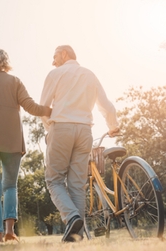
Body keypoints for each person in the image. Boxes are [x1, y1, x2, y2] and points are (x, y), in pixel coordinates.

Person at [0, 48, 52, 243]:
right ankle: (9, 232)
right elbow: (31, 107)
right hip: (11, 142)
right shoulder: (15, 82)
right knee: (10, 186)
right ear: (6, 62)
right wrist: (50, 110)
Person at [40, 45, 120, 242]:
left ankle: (72, 217)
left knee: (54, 180)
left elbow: (43, 108)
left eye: (54, 56)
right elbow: (106, 104)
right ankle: (76, 236)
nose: (53, 61)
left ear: (64, 54)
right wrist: (113, 125)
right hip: (85, 131)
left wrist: (49, 129)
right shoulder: (89, 75)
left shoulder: (55, 74)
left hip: (61, 128)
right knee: (77, 184)